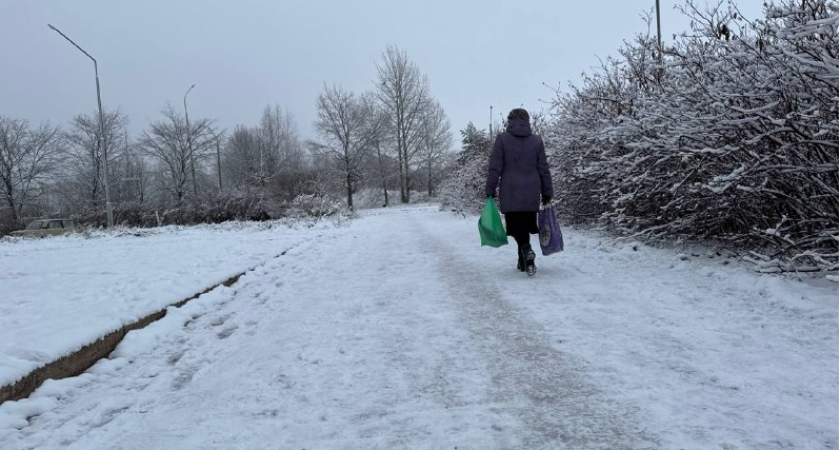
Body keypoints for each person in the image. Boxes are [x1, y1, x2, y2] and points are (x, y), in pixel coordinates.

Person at [485, 108, 553, 276]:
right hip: (532, 190)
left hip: (510, 190)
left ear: (509, 121)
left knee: (516, 227)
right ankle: (523, 260)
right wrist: (547, 192)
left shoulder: (502, 140)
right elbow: (544, 169)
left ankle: (526, 249)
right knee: (525, 225)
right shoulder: (537, 141)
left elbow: (495, 168)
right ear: (527, 121)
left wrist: (490, 189)